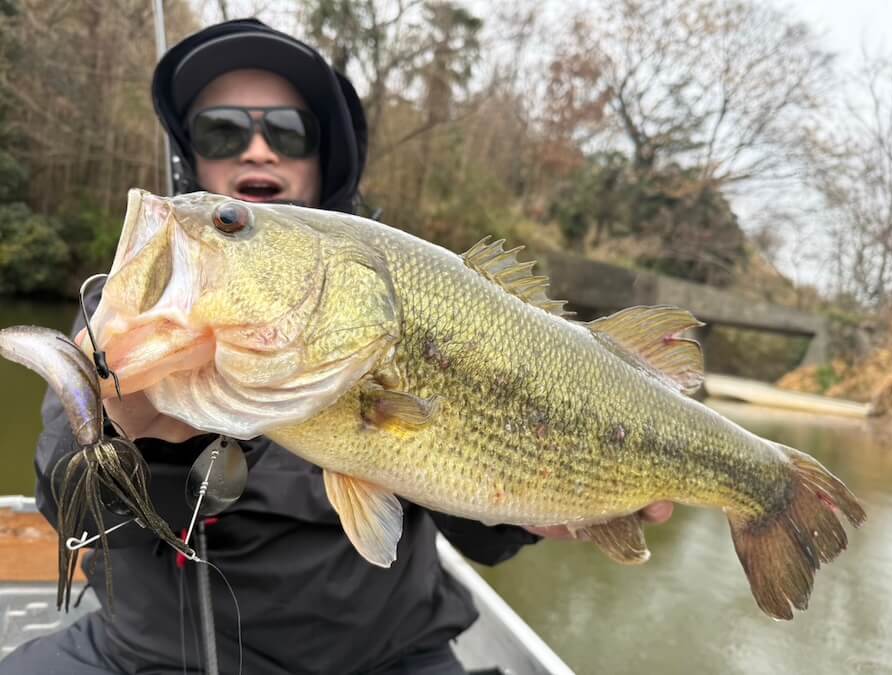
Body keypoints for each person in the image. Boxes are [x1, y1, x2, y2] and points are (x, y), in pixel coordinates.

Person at [0, 18, 671, 675]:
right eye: (221, 129)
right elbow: (71, 514)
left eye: (289, 131)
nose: (256, 150)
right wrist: (117, 433)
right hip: (151, 654)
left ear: (327, 157)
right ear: (191, 156)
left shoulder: (409, 298)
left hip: (386, 654)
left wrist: (538, 507)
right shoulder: (135, 304)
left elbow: (479, 530)